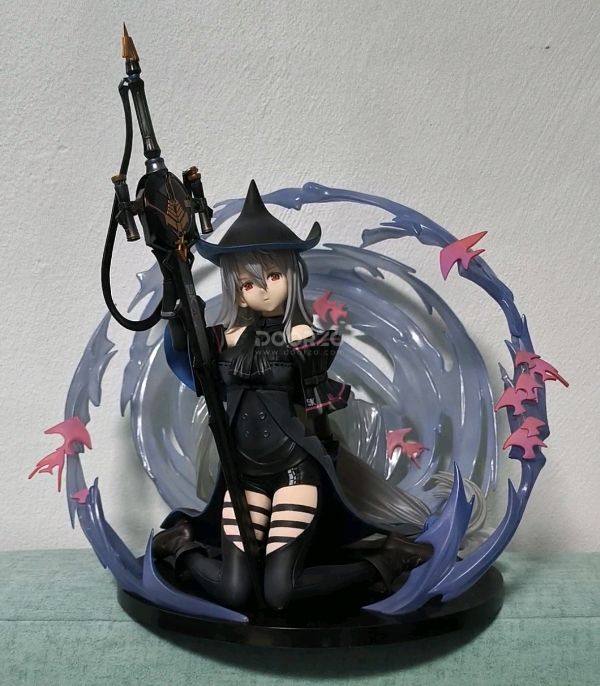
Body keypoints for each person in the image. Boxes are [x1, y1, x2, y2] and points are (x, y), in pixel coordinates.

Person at [153, 180, 431, 611]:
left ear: (292, 274)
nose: (262, 289)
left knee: (280, 593)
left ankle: (388, 560)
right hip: (243, 474)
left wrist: (327, 440)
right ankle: (181, 545)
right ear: (236, 287)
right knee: (237, 592)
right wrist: (176, 283)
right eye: (248, 282)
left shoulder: (302, 335)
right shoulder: (223, 338)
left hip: (294, 473)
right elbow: (187, 355)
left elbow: (318, 405)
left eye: (273, 276)